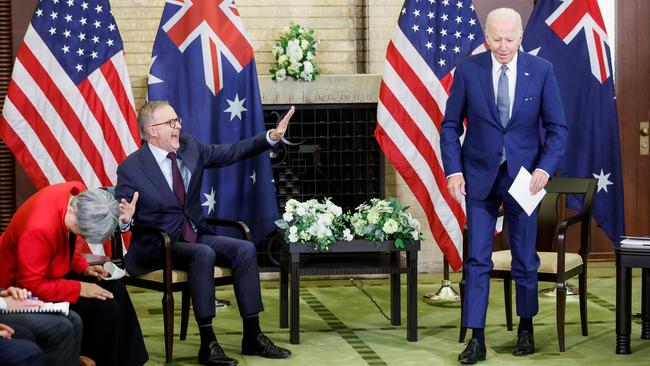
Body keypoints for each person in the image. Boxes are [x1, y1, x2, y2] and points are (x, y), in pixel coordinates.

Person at [115, 101, 295, 366]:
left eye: (177, 120)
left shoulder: (189, 146)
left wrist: (269, 138)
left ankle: (253, 335)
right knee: (203, 253)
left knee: (244, 248)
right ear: (152, 131)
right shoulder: (131, 167)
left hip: (194, 233)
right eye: (171, 123)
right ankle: (208, 343)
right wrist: (125, 220)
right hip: (158, 243)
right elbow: (123, 209)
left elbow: (231, 152)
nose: (178, 126)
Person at [440, 8, 568, 364]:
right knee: (478, 258)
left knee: (524, 258)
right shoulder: (469, 70)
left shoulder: (541, 71)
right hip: (478, 177)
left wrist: (544, 168)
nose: (503, 46)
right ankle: (476, 338)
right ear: (486, 35)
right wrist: (453, 172)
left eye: (510, 39)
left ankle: (526, 327)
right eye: (496, 38)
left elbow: (558, 129)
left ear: (521, 36)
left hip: (525, 179)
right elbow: (450, 126)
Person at [0, 183, 148, 366]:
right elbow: (31, 284)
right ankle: (94, 359)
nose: (84, 238)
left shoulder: (75, 195)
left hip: (52, 269)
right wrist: (80, 288)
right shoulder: (38, 228)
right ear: (74, 213)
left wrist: (83, 267)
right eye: (84, 233)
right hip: (19, 287)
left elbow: (69, 240)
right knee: (104, 306)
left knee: (115, 288)